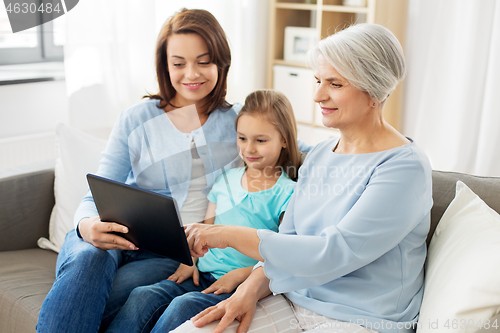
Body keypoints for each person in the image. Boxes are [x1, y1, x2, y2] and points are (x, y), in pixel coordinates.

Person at [177, 23, 433, 333]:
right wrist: (250, 289)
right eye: (318, 80)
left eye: (335, 84)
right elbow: (289, 240)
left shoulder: (404, 168)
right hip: (293, 298)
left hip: (362, 318)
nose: (317, 95)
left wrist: (227, 234)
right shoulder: (321, 156)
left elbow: (333, 253)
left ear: (374, 90)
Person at [37, 8, 242, 333]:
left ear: (222, 61)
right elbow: (98, 192)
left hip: (164, 254)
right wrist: (86, 226)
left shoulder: (241, 122)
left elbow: (292, 146)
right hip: (106, 235)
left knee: (108, 303)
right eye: (178, 63)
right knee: (91, 258)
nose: (192, 73)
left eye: (204, 61)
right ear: (165, 65)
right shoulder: (137, 118)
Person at [104, 89, 301, 333]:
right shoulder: (226, 179)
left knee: (182, 306)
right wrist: (191, 260)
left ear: (284, 139)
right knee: (143, 296)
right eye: (242, 138)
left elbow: (285, 252)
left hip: (237, 285)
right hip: (200, 274)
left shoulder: (289, 194)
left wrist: (241, 275)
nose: (249, 148)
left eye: (260, 140)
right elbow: (205, 230)